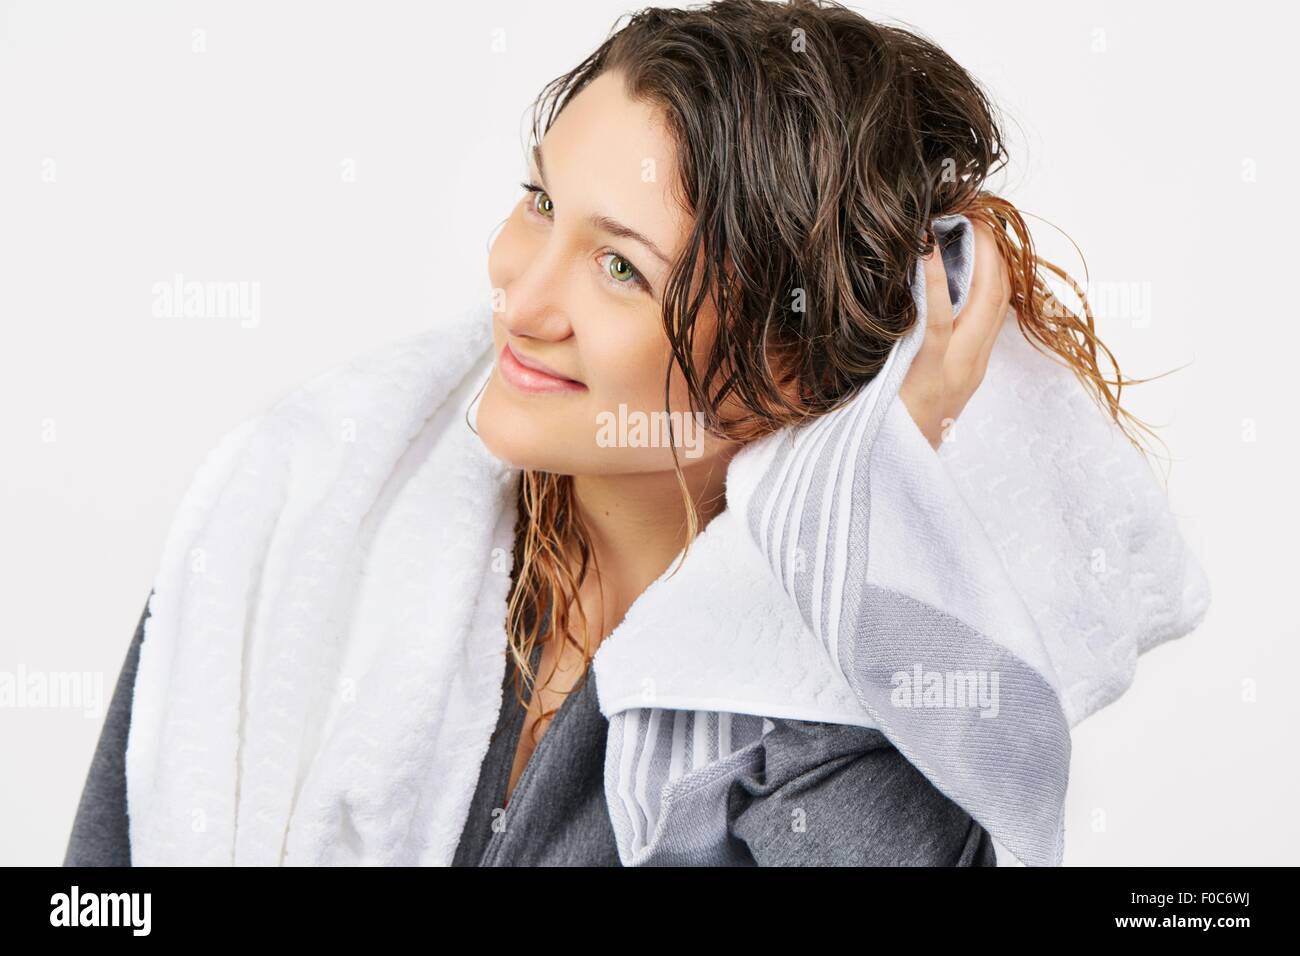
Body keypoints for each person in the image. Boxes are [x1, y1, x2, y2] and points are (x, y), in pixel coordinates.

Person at [65, 0, 1162, 867]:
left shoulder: (879, 685)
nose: (520, 295)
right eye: (539, 202)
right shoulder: (298, 506)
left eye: (620, 266)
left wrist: (879, 483)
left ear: (791, 357)